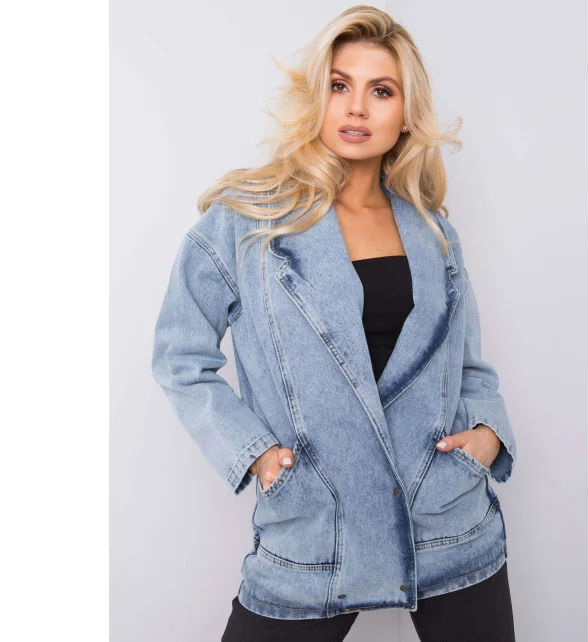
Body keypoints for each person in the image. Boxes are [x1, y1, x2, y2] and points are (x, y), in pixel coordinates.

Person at [152, 5, 517, 641]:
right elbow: (180, 358)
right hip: (313, 528)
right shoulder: (245, 223)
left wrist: (487, 433)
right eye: (339, 85)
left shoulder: (435, 233)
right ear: (315, 98)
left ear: (406, 113)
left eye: (381, 91)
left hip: (446, 520)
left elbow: (467, 365)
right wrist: (253, 453)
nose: (356, 108)